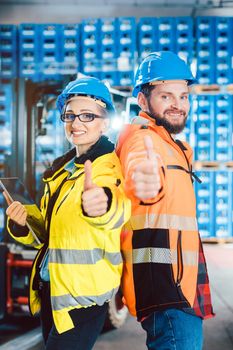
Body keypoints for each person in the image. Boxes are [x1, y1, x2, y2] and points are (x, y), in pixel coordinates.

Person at [4, 77, 131, 350]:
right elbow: (47, 237)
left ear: (105, 122)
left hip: (82, 298)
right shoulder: (64, 171)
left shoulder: (105, 167)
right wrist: (23, 221)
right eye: (70, 115)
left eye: (88, 115)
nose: (76, 123)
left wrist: (102, 204)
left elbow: (116, 206)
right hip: (53, 290)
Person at [116, 51, 214, 350]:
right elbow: (140, 174)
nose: (178, 105)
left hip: (180, 283)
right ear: (143, 101)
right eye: (166, 96)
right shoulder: (140, 139)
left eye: (184, 96)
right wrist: (143, 184)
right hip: (166, 288)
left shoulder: (173, 144)